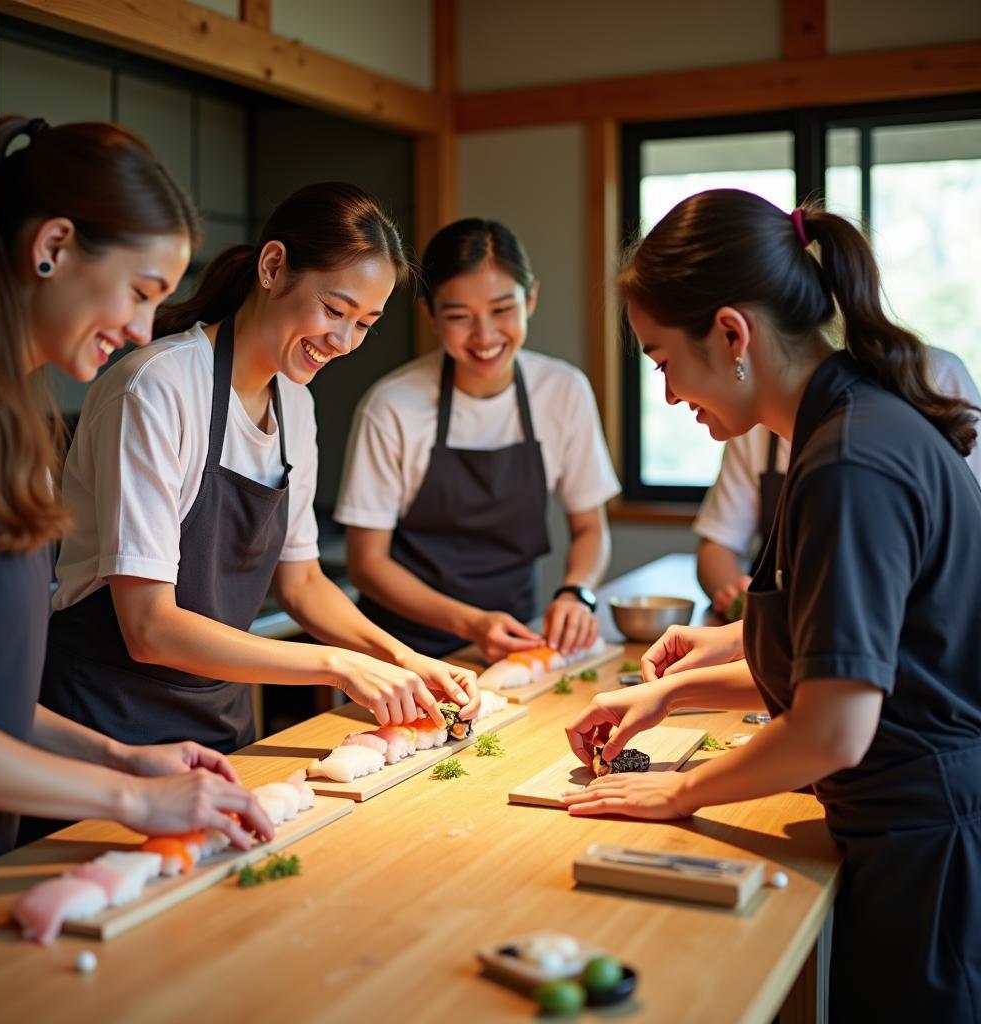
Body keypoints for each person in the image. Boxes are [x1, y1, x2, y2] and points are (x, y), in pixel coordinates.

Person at [564, 190, 981, 1020]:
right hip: (907, 831)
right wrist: (670, 693)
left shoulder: (850, 462)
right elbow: (847, 670)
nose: (672, 391)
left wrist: (681, 793)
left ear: (731, 333)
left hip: (930, 846)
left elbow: (834, 727)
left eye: (660, 360)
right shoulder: (843, 427)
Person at [40, 183, 479, 757]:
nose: (344, 342)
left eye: (365, 323)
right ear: (273, 266)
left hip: (221, 727)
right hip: (106, 726)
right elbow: (149, 627)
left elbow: (301, 582)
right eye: (334, 310)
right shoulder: (157, 388)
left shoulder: (295, 403)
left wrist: (405, 660)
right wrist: (337, 666)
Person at [0, 115, 272, 872]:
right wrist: (128, 802)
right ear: (54, 247)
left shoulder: (13, 423)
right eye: (139, 291)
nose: (139, 329)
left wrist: (125, 760)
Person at [337, 219, 620, 664]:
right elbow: (367, 564)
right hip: (403, 653)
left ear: (531, 299)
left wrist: (576, 592)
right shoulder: (392, 405)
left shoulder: (564, 390)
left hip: (516, 641)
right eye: (459, 316)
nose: (485, 336)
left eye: (503, 310)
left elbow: (590, 526)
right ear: (430, 315)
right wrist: (471, 623)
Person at [695, 350, 981, 617]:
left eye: (665, 362)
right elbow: (718, 544)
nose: (671, 395)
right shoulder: (756, 415)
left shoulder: (931, 381)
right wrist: (742, 610)